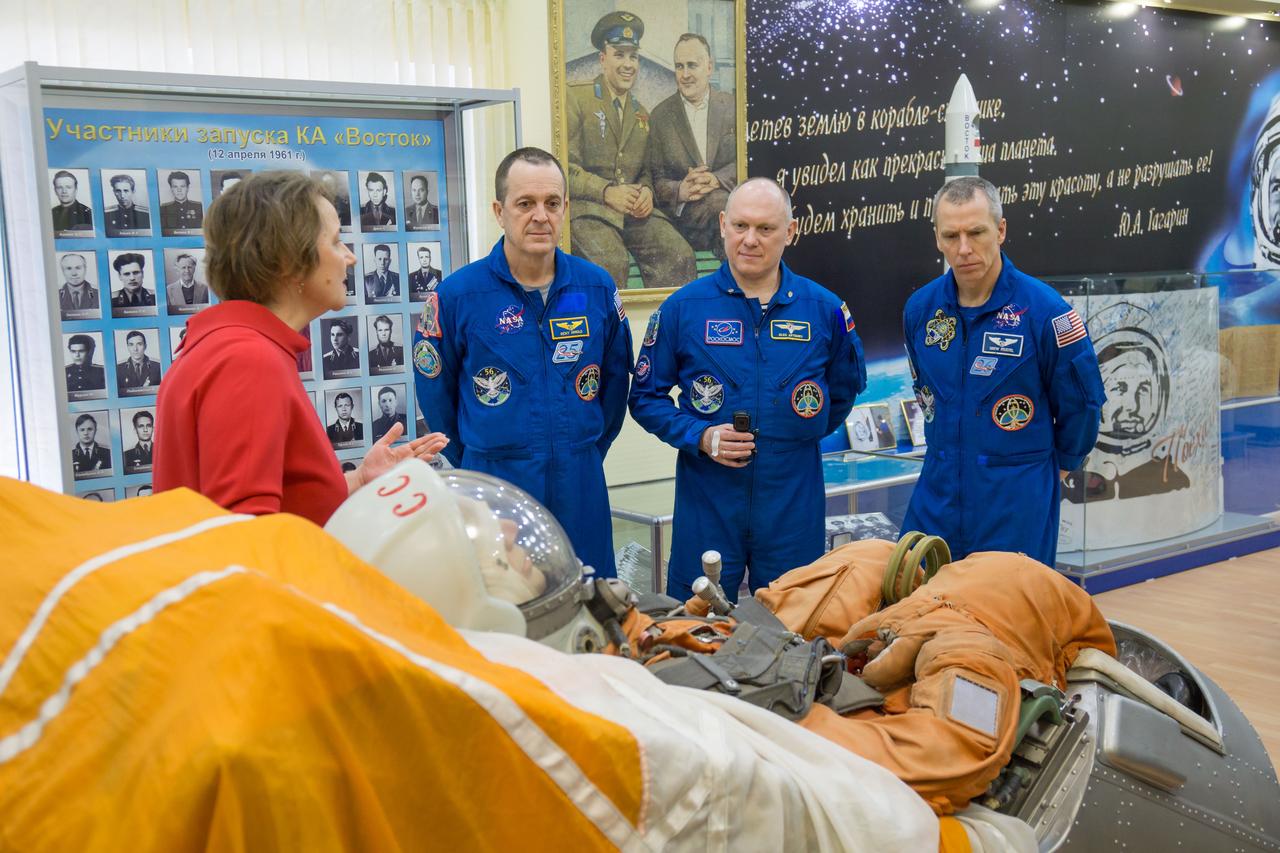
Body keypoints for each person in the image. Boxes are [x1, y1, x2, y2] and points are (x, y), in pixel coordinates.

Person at [153, 171, 447, 525]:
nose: (350, 258)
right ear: (290, 263)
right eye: (337, 242)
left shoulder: (233, 347)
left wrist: (357, 481)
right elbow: (248, 532)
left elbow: (274, 504)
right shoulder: (248, 360)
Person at [629, 177, 865, 599]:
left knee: (794, 621)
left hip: (792, 497)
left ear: (790, 232)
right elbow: (645, 397)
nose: (750, 240)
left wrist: (794, 433)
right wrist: (699, 436)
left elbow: (843, 392)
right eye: (740, 226)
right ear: (722, 225)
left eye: (765, 229)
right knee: (696, 623)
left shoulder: (824, 310)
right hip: (709, 498)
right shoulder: (684, 309)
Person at [413, 147, 632, 576]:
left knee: (591, 608)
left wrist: (583, 450)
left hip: (580, 480)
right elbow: (436, 397)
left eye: (552, 204)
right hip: (495, 486)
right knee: (506, 612)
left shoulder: (597, 288)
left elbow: (614, 384)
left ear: (565, 208)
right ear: (499, 211)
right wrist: (481, 457)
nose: (540, 216)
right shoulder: (459, 296)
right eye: (525, 204)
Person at [901, 176, 1106, 567]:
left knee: (1007, 618)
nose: (964, 249)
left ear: (1001, 230)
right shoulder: (920, 310)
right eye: (951, 236)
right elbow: (925, 393)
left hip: (1015, 502)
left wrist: (1056, 467)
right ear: (937, 239)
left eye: (976, 232)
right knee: (916, 611)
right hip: (937, 494)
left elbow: (1084, 406)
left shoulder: (1046, 313)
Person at [566, 11, 696, 290]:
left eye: (633, 56)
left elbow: (646, 171)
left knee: (679, 255)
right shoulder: (576, 98)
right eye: (619, 54)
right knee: (610, 261)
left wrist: (647, 192)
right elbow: (564, 167)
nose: (628, 64)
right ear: (603, 59)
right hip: (590, 211)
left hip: (633, 215)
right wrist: (605, 191)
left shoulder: (641, 114)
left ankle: (663, 331)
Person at [646, 33, 737, 257]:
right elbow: (654, 177)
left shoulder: (733, 107)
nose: (685, 75)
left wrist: (716, 179)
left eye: (692, 66)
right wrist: (681, 190)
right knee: (723, 210)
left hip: (729, 209)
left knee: (726, 209)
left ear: (709, 67)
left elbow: (745, 160)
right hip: (686, 218)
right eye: (679, 66)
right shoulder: (660, 116)